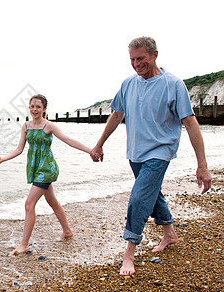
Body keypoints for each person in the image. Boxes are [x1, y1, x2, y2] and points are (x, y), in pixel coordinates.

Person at [90, 37, 212, 275]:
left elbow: (190, 123)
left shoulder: (173, 84)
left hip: (160, 151)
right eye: (132, 59)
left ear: (155, 55)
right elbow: (116, 116)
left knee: (138, 199)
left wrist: (202, 166)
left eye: (141, 58)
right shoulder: (128, 84)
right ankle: (169, 234)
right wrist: (99, 145)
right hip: (135, 153)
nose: (136, 64)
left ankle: (129, 254)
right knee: (152, 193)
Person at [0, 94, 92, 254]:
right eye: (32, 106)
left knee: (29, 204)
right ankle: (67, 231)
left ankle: (24, 244)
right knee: (52, 201)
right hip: (35, 168)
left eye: (38, 106)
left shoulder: (49, 126)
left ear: (44, 109)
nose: (34, 109)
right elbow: (19, 149)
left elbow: (68, 140)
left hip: (46, 168)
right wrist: (2, 159)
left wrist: (91, 150)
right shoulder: (26, 126)